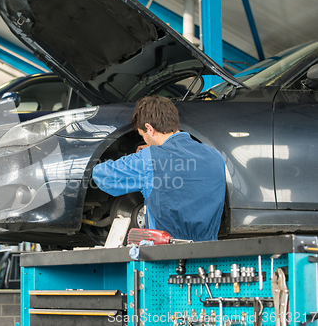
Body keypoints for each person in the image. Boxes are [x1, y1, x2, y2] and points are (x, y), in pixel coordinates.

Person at [92, 95, 225, 241]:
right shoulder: (215, 156)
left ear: (149, 128)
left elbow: (102, 175)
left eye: (143, 135)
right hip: (209, 252)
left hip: (166, 255)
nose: (145, 140)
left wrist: (142, 155)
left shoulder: (149, 159)